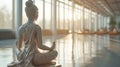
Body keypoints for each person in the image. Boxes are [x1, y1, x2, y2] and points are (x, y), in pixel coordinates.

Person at [8, 0, 58, 67]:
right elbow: (40, 46)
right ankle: (40, 62)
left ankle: (27, 60)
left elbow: (19, 47)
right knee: (55, 53)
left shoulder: (21, 28)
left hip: (22, 56)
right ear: (34, 13)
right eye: (37, 12)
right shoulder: (37, 27)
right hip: (35, 58)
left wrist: (19, 47)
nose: (38, 14)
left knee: (18, 54)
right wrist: (50, 48)